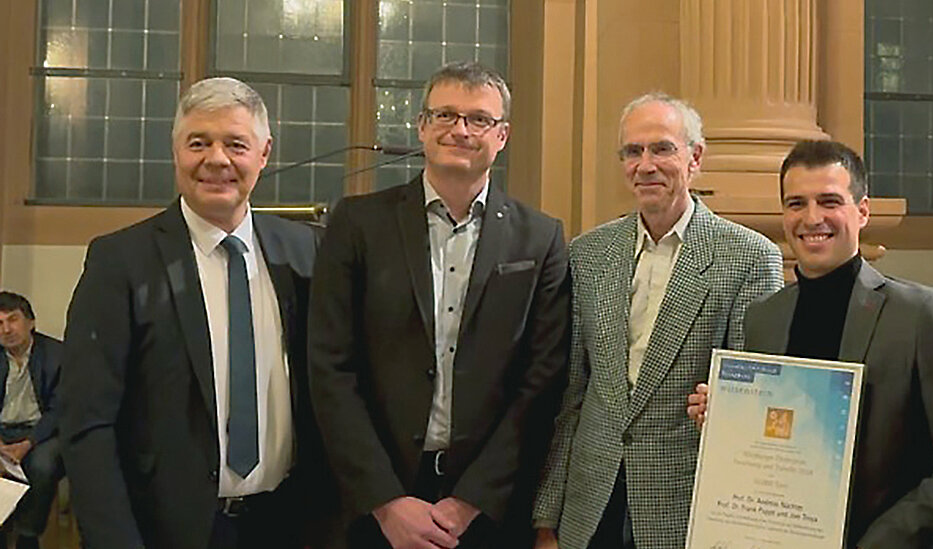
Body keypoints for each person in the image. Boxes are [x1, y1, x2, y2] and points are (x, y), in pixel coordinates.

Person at [60, 77, 338, 549]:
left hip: (290, 522)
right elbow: (88, 423)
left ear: (264, 153)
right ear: (175, 151)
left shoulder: (306, 250)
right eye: (198, 143)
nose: (217, 159)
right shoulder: (121, 261)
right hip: (169, 530)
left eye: (236, 144)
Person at [308, 61, 570, 549]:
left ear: (503, 136)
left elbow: (542, 381)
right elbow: (330, 367)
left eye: (479, 119)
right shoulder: (357, 224)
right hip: (374, 501)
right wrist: (385, 500)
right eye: (445, 115)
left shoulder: (540, 238)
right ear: (422, 126)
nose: (460, 130)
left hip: (489, 508)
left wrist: (471, 500)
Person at [532, 92, 784, 549]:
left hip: (684, 506)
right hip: (591, 504)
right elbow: (572, 394)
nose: (645, 165)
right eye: (633, 151)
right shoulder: (588, 254)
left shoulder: (749, 257)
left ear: (695, 157)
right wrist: (547, 516)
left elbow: (754, 401)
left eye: (662, 149)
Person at [687, 140, 933, 548]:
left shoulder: (921, 315)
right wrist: (728, 418)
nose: (812, 218)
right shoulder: (764, 318)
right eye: (796, 204)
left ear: (863, 211)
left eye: (829, 201)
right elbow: (773, 440)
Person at [0, 292, 64, 549]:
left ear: (31, 322)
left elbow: (61, 408)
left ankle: (28, 533)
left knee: (42, 466)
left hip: (42, 431)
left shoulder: (57, 354)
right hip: (3, 431)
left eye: (13, 320)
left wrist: (28, 443)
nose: (6, 329)